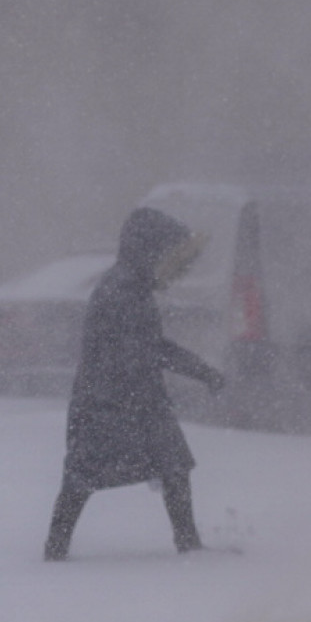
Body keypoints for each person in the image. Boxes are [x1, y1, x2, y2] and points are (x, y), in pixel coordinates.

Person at [44, 206, 226, 560]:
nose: (175, 269)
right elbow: (146, 351)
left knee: (168, 467)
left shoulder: (132, 286)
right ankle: (54, 552)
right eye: (169, 256)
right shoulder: (122, 291)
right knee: (83, 478)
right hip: (112, 405)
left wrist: (200, 371)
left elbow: (149, 347)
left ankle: (187, 544)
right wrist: (197, 372)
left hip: (122, 401)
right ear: (150, 251)